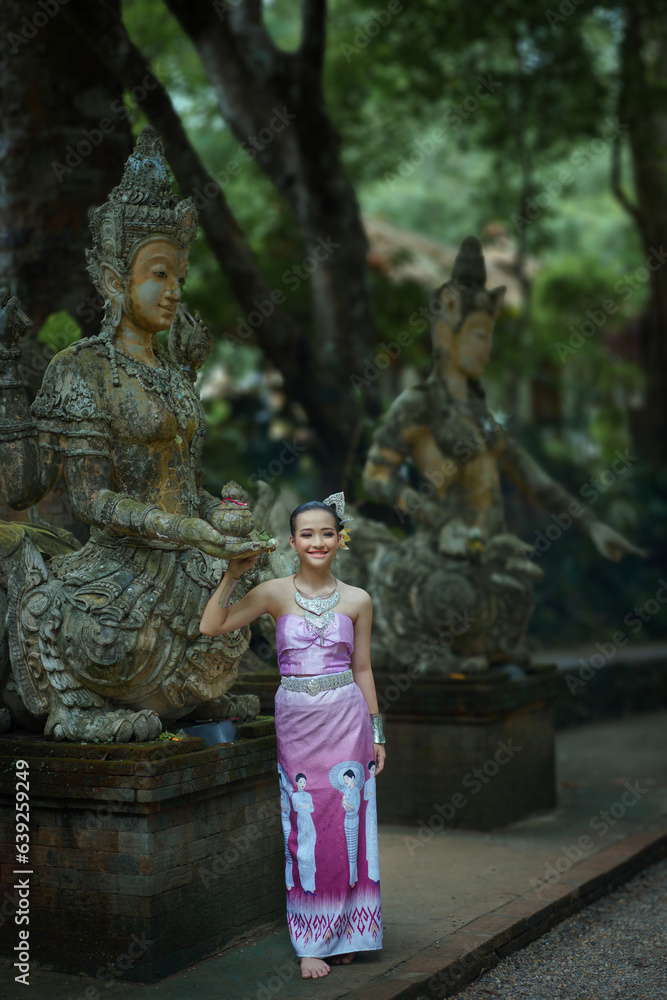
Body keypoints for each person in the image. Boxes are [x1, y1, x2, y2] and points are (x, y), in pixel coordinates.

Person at [200, 494, 386, 979]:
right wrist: (233, 573)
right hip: (298, 724)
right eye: (307, 533)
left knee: (351, 825)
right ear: (292, 541)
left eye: (327, 532)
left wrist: (378, 731)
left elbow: (362, 668)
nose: (318, 541)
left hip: (349, 720)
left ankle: (348, 933)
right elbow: (210, 625)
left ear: (339, 538)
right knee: (307, 827)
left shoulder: (359, 599)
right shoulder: (273, 593)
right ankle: (311, 941)